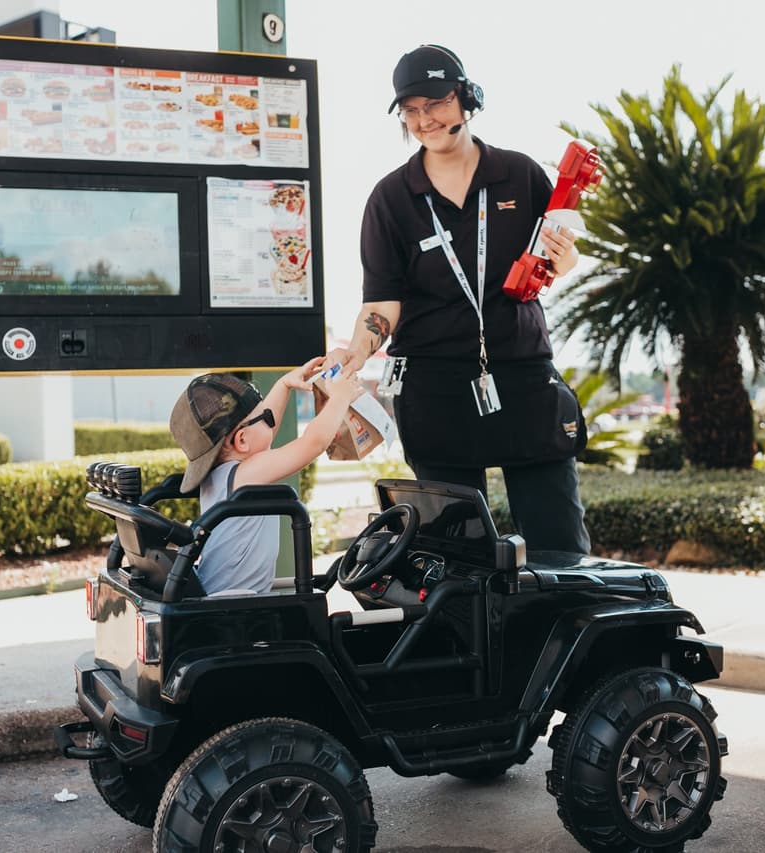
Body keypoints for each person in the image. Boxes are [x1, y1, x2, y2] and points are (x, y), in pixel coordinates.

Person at [327, 44, 591, 554]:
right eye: (411, 110)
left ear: (467, 99)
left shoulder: (521, 175)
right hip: (434, 388)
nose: (424, 120)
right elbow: (382, 301)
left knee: (559, 543)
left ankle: (560, 630)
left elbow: (563, 260)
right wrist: (355, 356)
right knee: (451, 554)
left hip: (522, 378)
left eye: (436, 103)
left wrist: (564, 258)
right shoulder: (390, 199)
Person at [168, 358, 363, 593]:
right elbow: (313, 444)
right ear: (241, 440)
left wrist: (284, 386)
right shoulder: (245, 475)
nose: (272, 423)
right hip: (236, 609)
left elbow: (260, 429)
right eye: (267, 418)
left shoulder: (220, 474)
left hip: (218, 596)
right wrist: (340, 397)